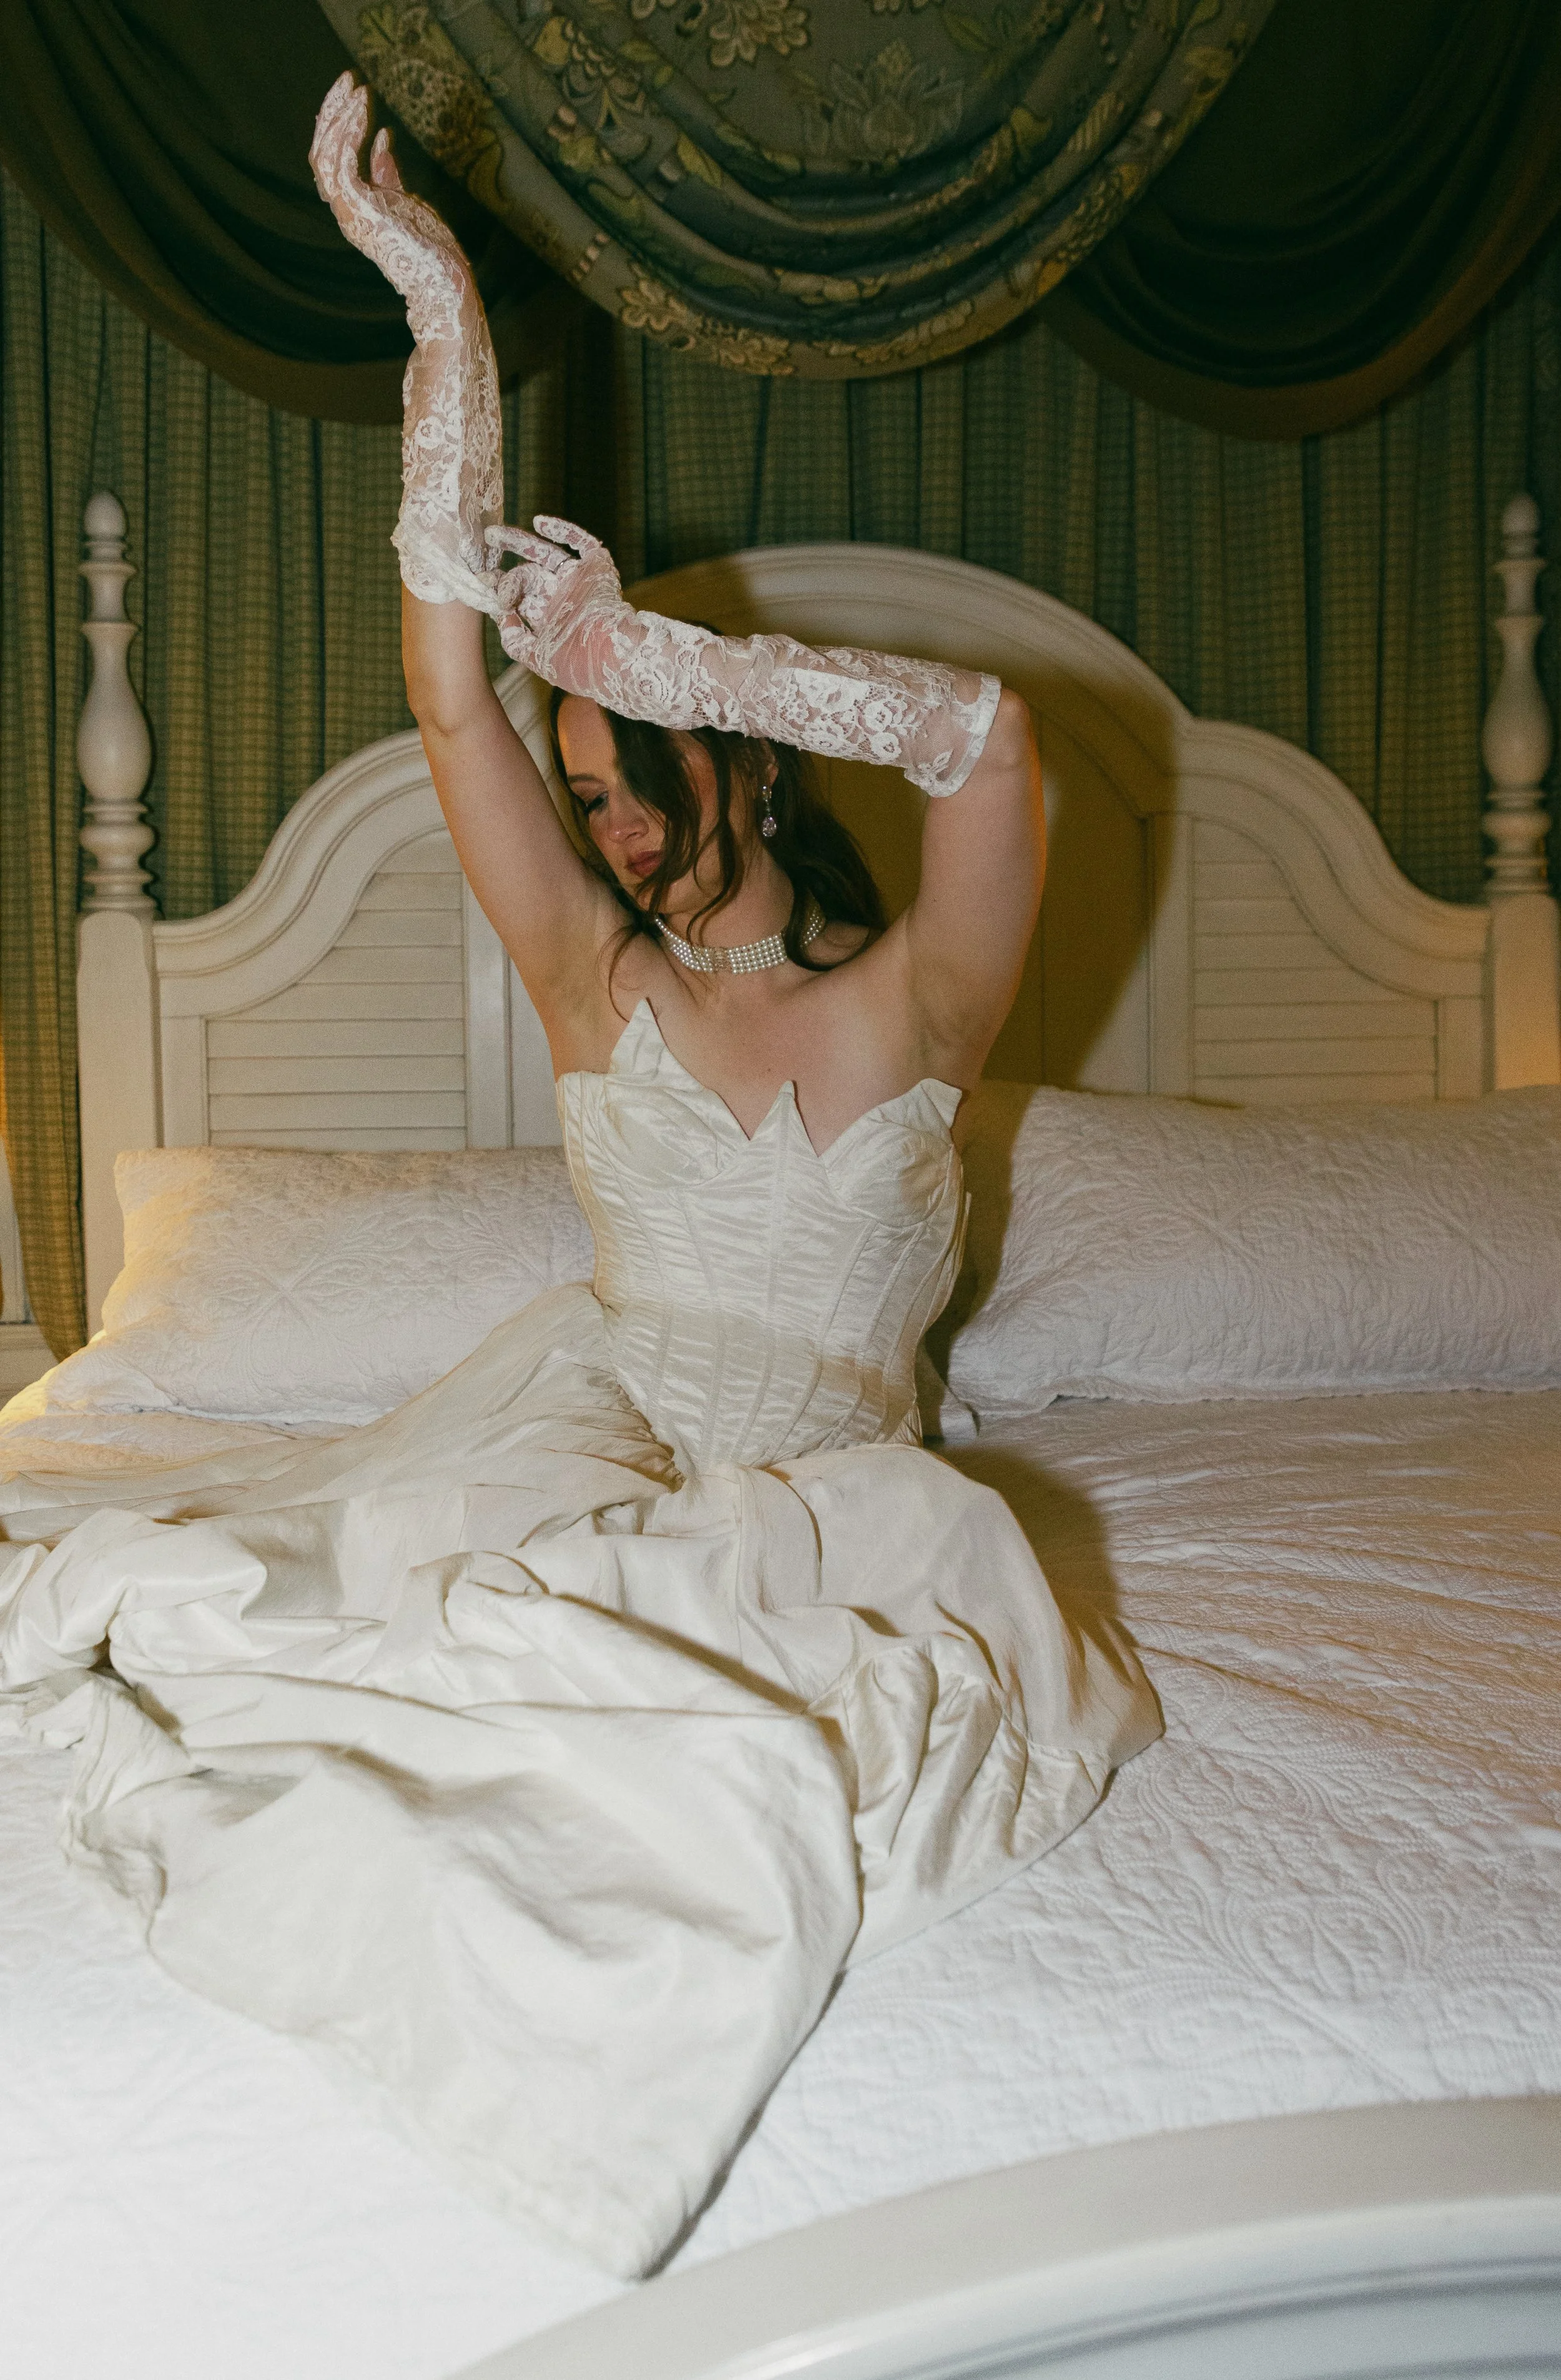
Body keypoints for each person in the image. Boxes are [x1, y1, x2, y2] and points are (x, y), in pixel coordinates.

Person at [0, 76, 1158, 2284]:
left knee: (776, 1713)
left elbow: (993, 749)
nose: (611, 823)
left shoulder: (923, 999)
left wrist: (658, 656)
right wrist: (444, 332)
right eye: (592, 788)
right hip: (592, 1417)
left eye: (638, 779)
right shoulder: (587, 980)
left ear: (739, 755)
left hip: (831, 1468)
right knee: (431, 1626)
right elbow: (453, 706)